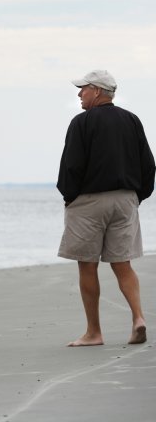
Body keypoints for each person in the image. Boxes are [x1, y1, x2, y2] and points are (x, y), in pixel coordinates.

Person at [57, 69, 154, 347]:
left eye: (83, 89)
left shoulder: (81, 122)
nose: (79, 94)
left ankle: (94, 333)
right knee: (123, 265)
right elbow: (148, 164)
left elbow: (71, 166)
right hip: (125, 200)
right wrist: (136, 197)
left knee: (87, 266)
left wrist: (69, 198)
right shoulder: (132, 120)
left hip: (89, 202)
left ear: (97, 91)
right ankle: (138, 318)